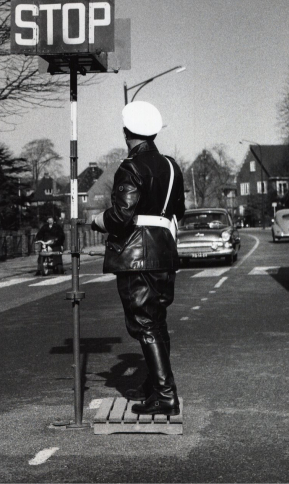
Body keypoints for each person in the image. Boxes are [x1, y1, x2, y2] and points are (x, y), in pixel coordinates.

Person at [91, 101, 185, 416]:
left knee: (145, 324)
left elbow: (121, 217)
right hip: (164, 253)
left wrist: (97, 220)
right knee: (156, 321)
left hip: (137, 257)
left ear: (126, 132)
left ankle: (164, 394)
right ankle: (154, 387)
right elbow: (178, 210)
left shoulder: (130, 167)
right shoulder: (171, 165)